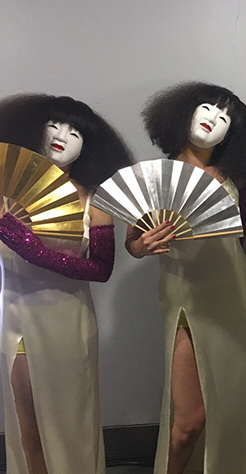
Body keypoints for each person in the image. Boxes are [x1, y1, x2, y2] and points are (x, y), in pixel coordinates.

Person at [125, 82, 246, 474]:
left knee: (231, 404)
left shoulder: (235, 180)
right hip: (182, 296)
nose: (213, 119)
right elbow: (133, 244)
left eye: (225, 118)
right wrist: (142, 246)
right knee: (189, 420)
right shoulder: (154, 177)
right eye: (207, 108)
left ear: (232, 134)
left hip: (232, 294)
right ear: (183, 114)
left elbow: (240, 237)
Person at [0, 94, 132, 473]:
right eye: (54, 125)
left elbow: (101, 268)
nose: (62, 135)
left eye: (75, 132)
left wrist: (29, 247)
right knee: (26, 424)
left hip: (68, 320)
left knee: (71, 425)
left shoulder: (95, 200)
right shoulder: (6, 191)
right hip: (15, 314)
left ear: (88, 146)